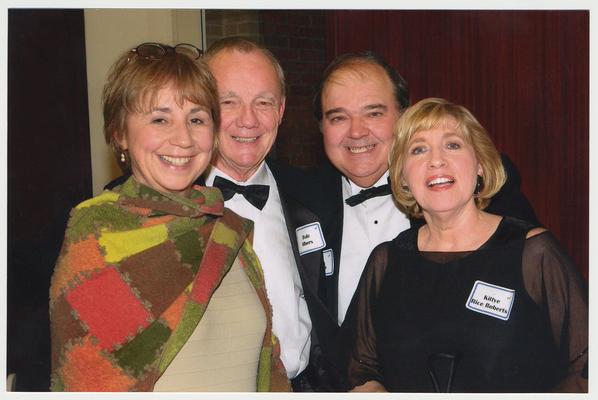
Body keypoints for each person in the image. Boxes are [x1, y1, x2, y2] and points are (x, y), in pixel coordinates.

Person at [279, 51, 541, 391]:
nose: (357, 132)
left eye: (373, 112)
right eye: (338, 118)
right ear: (320, 128)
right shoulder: (297, 199)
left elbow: (541, 324)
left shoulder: (469, 189)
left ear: (405, 116)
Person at [49, 42, 289, 392]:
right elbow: (90, 380)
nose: (184, 139)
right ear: (120, 133)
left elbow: (268, 368)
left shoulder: (227, 228)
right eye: (160, 119)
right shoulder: (99, 235)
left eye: (196, 119)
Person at [347, 97, 588, 392]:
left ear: (481, 166)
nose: (436, 160)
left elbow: (585, 365)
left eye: (452, 145)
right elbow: (363, 369)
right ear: (403, 177)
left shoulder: (533, 254)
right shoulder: (386, 262)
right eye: (419, 149)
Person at [201, 37, 315, 391]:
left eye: (263, 102)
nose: (248, 120)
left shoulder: (312, 194)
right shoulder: (163, 204)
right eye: (228, 102)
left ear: (280, 110)